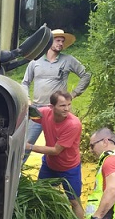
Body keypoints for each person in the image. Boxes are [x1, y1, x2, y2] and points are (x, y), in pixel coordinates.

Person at [21, 29, 91, 159]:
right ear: (48, 42)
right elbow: (25, 82)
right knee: (26, 145)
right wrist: (28, 99)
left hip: (58, 112)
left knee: (59, 147)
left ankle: (56, 173)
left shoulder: (68, 60)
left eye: (62, 41)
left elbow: (86, 74)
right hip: (37, 110)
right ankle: (18, 175)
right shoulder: (35, 62)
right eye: (58, 40)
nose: (61, 44)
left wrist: (74, 94)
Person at [24, 89, 85, 219]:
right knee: (40, 194)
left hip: (69, 168)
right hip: (50, 165)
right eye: (62, 105)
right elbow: (27, 113)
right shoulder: (45, 113)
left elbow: (56, 151)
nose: (67, 109)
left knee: (74, 202)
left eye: (69, 104)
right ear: (51, 107)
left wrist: (29, 147)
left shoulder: (73, 124)